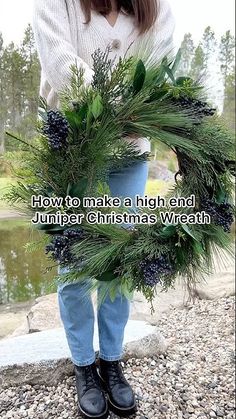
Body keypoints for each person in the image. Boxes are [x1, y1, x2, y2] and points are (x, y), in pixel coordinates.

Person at [32, 1, 175, 418]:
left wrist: (138, 107)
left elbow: (157, 63)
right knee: (74, 261)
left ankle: (111, 360)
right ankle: (83, 365)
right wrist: (127, 106)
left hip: (129, 153)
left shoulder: (155, 9)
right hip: (73, 149)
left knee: (120, 258)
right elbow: (63, 67)